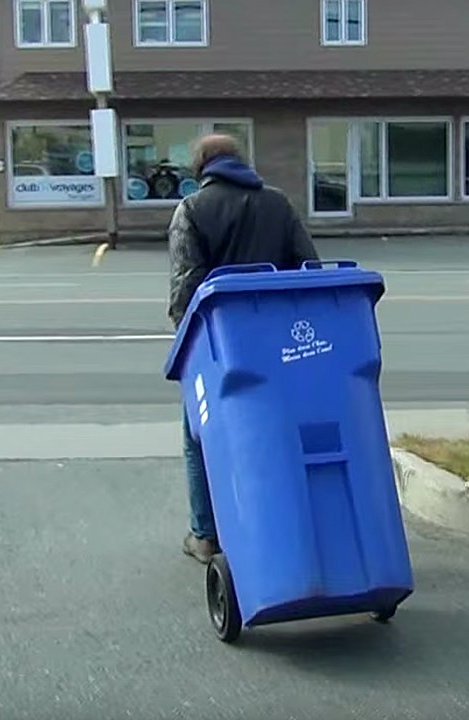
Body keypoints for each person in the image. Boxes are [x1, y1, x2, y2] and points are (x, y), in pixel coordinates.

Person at [167, 133, 319, 564]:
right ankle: (281, 518)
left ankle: (206, 534)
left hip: (217, 343)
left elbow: (185, 287)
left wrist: (186, 347)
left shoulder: (192, 210)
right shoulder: (278, 203)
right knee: (275, 427)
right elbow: (310, 268)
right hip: (277, 343)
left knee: (200, 435)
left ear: (200, 169)